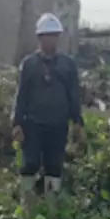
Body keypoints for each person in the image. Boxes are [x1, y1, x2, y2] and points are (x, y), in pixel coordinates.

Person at [12, 12, 83, 200]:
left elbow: (74, 94)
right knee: (30, 163)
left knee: (54, 165)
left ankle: (50, 205)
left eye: (54, 36)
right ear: (39, 38)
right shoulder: (29, 64)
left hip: (58, 125)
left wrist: (77, 121)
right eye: (47, 36)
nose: (50, 40)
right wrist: (17, 123)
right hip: (33, 123)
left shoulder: (68, 65)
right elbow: (21, 94)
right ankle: (26, 203)